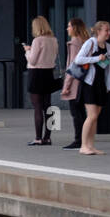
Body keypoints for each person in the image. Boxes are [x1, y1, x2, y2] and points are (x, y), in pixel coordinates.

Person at [73, 20, 110, 155]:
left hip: (101, 83)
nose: (109, 32)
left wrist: (109, 84)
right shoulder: (90, 43)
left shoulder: (108, 47)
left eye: (109, 30)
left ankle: (91, 146)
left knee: (95, 116)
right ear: (98, 31)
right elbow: (78, 60)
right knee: (91, 115)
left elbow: (108, 68)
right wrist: (96, 58)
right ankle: (83, 145)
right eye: (106, 30)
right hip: (89, 83)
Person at [23, 15, 59, 146]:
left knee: (37, 107)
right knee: (48, 106)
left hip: (36, 73)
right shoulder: (54, 40)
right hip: (48, 73)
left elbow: (32, 60)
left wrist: (27, 51)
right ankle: (47, 137)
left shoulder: (37, 41)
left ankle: (38, 138)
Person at [60, 18, 91, 149]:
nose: (67, 29)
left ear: (75, 28)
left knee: (76, 112)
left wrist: (66, 86)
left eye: (69, 26)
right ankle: (85, 138)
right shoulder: (86, 41)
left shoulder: (74, 43)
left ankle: (78, 140)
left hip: (75, 82)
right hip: (85, 80)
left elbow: (72, 66)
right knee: (83, 112)